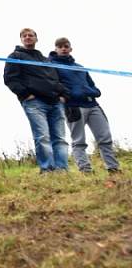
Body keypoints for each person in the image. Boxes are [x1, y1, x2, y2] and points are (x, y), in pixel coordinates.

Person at [49, 38, 121, 174]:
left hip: (92, 104)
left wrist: (94, 92)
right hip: (74, 106)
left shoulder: (80, 67)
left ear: (70, 49)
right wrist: (68, 95)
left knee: (105, 137)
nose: (63, 49)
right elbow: (53, 85)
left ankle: (113, 168)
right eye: (60, 47)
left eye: (66, 46)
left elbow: (92, 85)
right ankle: (85, 170)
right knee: (79, 140)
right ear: (56, 49)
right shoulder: (52, 66)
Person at [3, 28, 70, 173]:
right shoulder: (15, 56)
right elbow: (10, 78)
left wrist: (63, 95)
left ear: (36, 39)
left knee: (60, 138)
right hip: (34, 102)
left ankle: (62, 170)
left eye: (31, 35)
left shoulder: (45, 59)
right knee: (42, 137)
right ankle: (47, 169)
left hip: (55, 102)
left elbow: (55, 79)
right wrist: (25, 94)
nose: (28, 37)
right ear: (21, 39)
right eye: (24, 36)